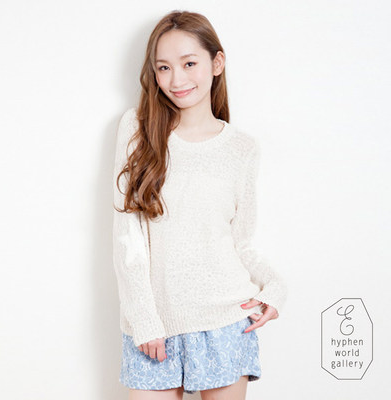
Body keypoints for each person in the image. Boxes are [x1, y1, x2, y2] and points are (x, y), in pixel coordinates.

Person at [112, 9, 287, 400]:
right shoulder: (137, 130)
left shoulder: (242, 148)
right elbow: (128, 237)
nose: (176, 79)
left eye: (189, 63)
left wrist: (275, 287)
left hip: (225, 322)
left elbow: (240, 243)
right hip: (152, 326)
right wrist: (144, 319)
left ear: (216, 63)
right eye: (164, 67)